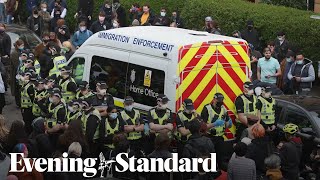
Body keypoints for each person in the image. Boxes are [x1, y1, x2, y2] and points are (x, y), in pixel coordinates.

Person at [201, 93, 232, 168]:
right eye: (219, 100)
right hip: (209, 137)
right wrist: (214, 124)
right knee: (210, 158)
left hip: (220, 137)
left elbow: (227, 122)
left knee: (220, 157)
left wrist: (229, 124)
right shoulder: (207, 109)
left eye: (222, 100)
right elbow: (202, 127)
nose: (221, 102)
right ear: (214, 99)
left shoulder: (223, 108)